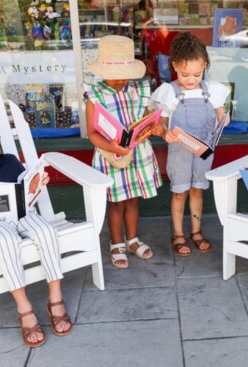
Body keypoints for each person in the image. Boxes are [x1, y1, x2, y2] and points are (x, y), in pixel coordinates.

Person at [0, 117, 72, 347]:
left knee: (46, 231)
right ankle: (24, 308)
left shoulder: (10, 161)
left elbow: (26, 188)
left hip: (23, 214)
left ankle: (55, 299)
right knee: (7, 242)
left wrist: (38, 183)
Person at [84, 35, 163, 269]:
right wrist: (112, 147)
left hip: (137, 155)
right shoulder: (94, 96)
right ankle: (116, 242)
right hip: (112, 156)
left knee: (133, 200)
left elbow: (146, 119)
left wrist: (154, 127)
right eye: (114, 77)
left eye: (124, 76)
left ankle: (132, 239)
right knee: (116, 203)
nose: (120, 81)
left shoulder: (139, 90)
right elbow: (92, 133)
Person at [150, 32, 230, 256]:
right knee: (179, 192)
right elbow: (161, 124)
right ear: (174, 65)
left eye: (197, 73)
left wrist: (224, 118)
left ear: (205, 65)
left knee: (197, 191)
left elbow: (221, 114)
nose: (191, 80)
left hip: (203, 150)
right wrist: (165, 133)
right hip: (179, 152)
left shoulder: (211, 90)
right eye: (185, 74)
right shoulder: (169, 92)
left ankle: (196, 231)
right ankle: (178, 234)